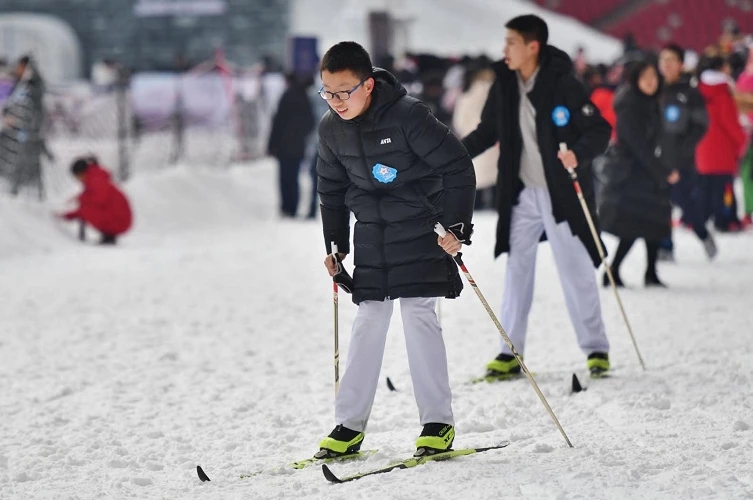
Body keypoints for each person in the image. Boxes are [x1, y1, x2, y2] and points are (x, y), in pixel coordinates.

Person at [315, 42, 475, 458]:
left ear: (368, 85)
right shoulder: (330, 129)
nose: (336, 101)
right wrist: (336, 246)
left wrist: (457, 227)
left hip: (422, 231)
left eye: (344, 92)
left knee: (418, 314)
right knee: (369, 319)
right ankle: (348, 425)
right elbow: (331, 189)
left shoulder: (408, 117)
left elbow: (457, 165)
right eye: (328, 92)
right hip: (373, 236)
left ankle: (437, 422)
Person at [460, 15, 612, 380]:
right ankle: (509, 352)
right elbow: (487, 131)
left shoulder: (563, 83)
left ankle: (596, 348)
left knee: (575, 269)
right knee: (517, 269)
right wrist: (451, 157)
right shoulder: (504, 84)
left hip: (561, 193)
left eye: (511, 42)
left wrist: (578, 153)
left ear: (532, 47)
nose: (505, 49)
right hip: (521, 192)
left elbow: (599, 130)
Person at [600, 60, 678, 287]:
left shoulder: (652, 102)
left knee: (655, 224)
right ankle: (612, 271)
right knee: (633, 225)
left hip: (648, 172)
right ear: (636, 79)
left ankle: (650, 272)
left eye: (654, 76)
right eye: (645, 77)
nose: (650, 81)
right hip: (632, 174)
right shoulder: (630, 105)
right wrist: (661, 171)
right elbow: (638, 146)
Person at [657, 43, 715, 261]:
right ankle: (665, 246)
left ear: (681, 64)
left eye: (671, 60)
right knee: (661, 203)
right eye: (663, 60)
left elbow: (701, 124)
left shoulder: (690, 93)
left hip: (682, 159)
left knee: (685, 202)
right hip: (658, 158)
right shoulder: (655, 90)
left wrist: (683, 150)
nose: (666, 64)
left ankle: (702, 233)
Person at [696, 55, 746, 232]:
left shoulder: (699, 90)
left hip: (702, 148)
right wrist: (742, 140)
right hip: (722, 149)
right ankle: (725, 219)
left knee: (706, 187)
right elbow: (730, 122)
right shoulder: (722, 92)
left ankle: (702, 217)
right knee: (725, 189)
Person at [267, 73, 315, 218]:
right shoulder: (305, 98)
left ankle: (286, 207)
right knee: (294, 178)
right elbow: (310, 123)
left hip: (283, 146)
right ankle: (293, 207)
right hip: (298, 146)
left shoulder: (286, 96)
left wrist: (272, 145)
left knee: (284, 177)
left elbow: (278, 122)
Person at [1, 55, 48, 200]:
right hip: (17, 131)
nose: (17, 69)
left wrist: (16, 120)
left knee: (26, 161)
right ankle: (15, 189)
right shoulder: (21, 84)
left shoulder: (32, 86)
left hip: (27, 131)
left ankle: (26, 192)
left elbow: (29, 109)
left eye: (20, 66)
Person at [59, 157, 133, 245]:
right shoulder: (95, 178)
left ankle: (109, 236)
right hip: (118, 218)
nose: (78, 180)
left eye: (77, 177)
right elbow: (90, 203)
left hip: (119, 220)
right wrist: (69, 215)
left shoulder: (96, 179)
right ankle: (108, 236)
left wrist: (80, 198)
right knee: (86, 209)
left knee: (87, 210)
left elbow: (98, 200)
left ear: (81, 173)